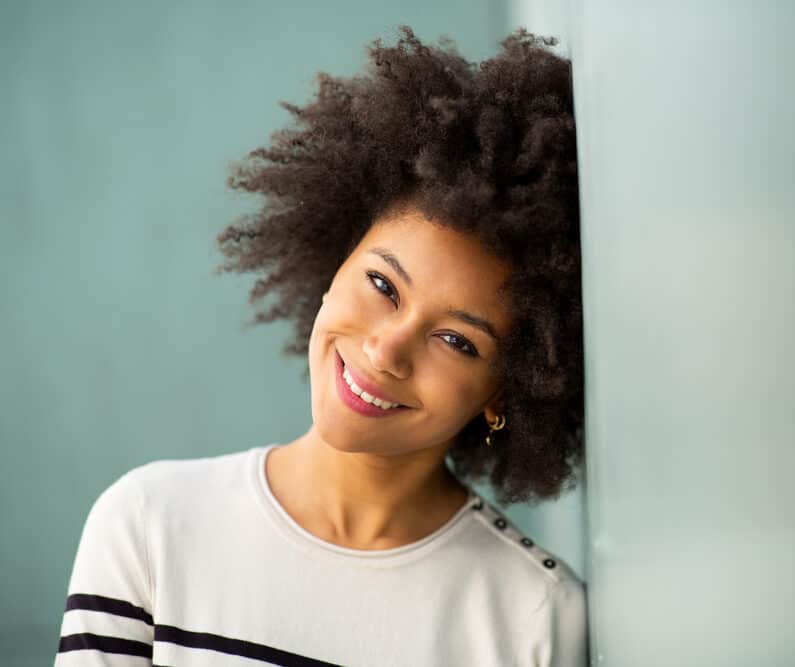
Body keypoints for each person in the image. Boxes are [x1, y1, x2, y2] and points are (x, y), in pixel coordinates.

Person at [55, 25, 586, 666]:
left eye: (455, 339)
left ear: (507, 386)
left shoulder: (533, 614)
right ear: (335, 255)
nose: (387, 350)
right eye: (383, 284)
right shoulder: (149, 526)